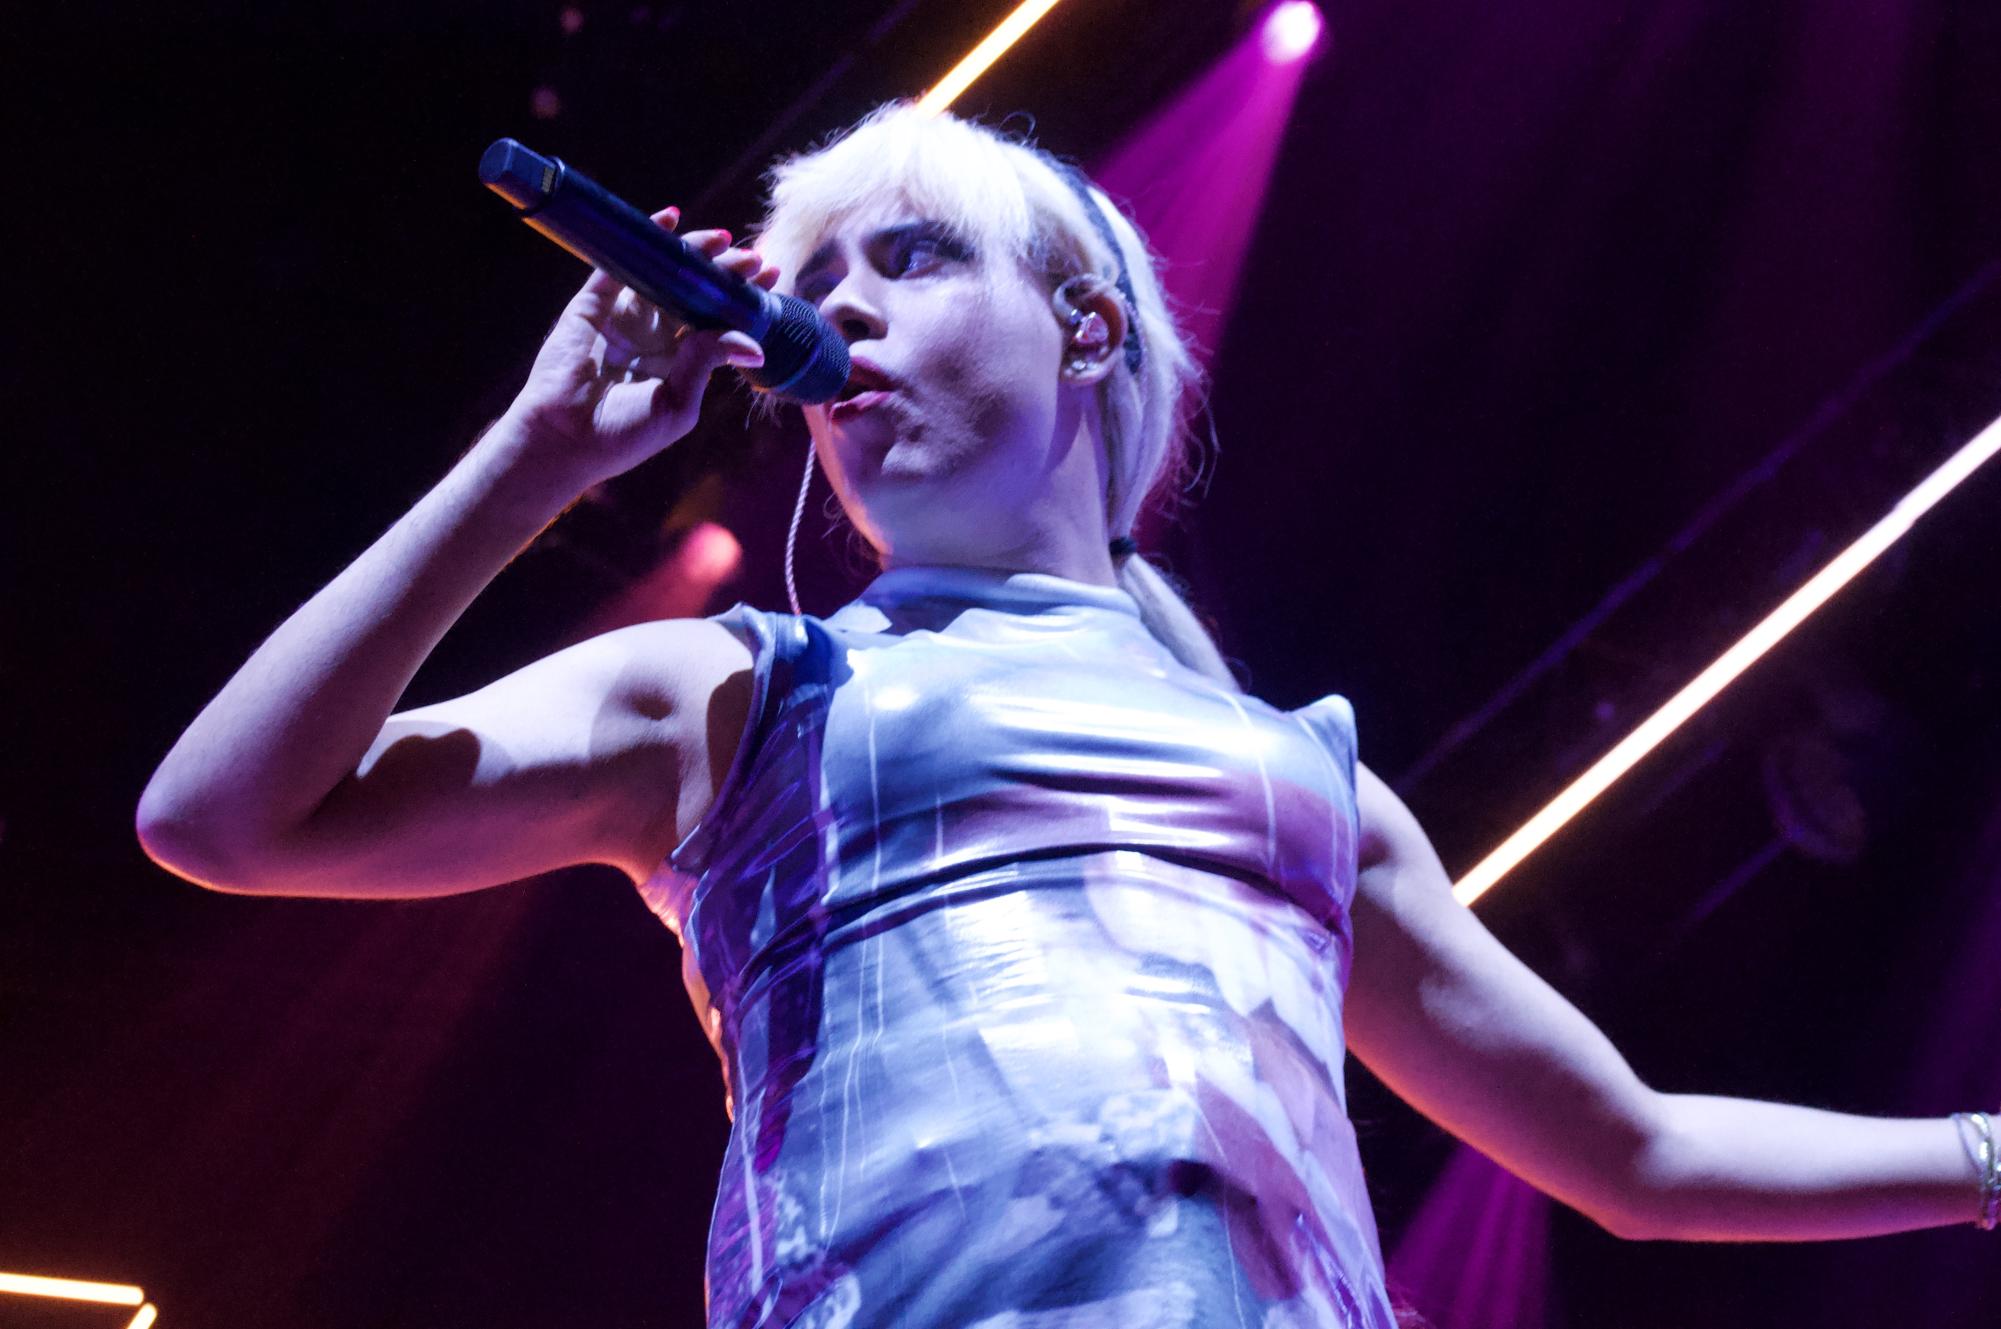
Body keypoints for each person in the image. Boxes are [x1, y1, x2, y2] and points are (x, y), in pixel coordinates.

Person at [137, 103, 1997, 1328]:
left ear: (1085, 325)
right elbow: (223, 818)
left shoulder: (1298, 781)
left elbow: (1638, 1156)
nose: (838, 315)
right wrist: (535, 460)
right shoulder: (741, 689)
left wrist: (1982, 1162)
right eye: (812, 283)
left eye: (910, 257)